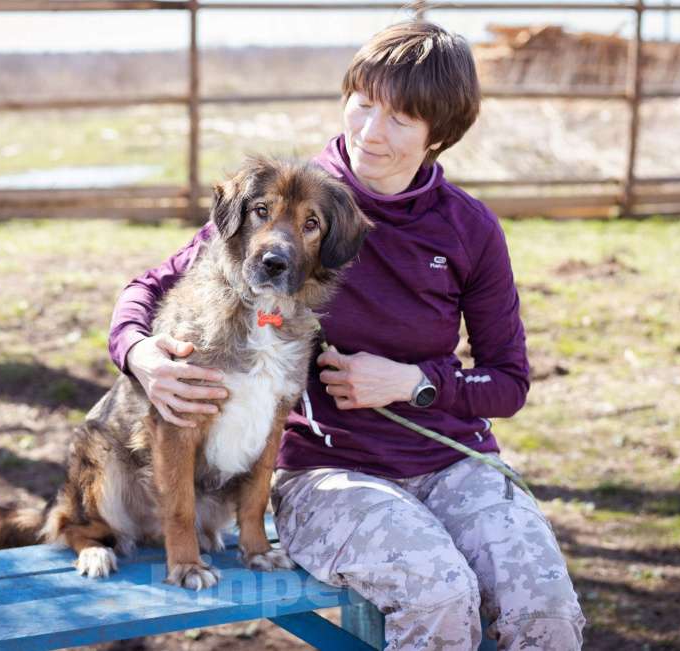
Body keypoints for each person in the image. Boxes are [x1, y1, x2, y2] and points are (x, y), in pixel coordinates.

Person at [107, 19, 585, 650]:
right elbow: (147, 288)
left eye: (401, 119)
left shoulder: (469, 229)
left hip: (452, 463)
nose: (371, 132)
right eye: (363, 106)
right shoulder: (287, 199)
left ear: (439, 135)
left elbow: (509, 382)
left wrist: (416, 384)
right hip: (328, 473)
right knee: (438, 595)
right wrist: (142, 356)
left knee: (544, 609)